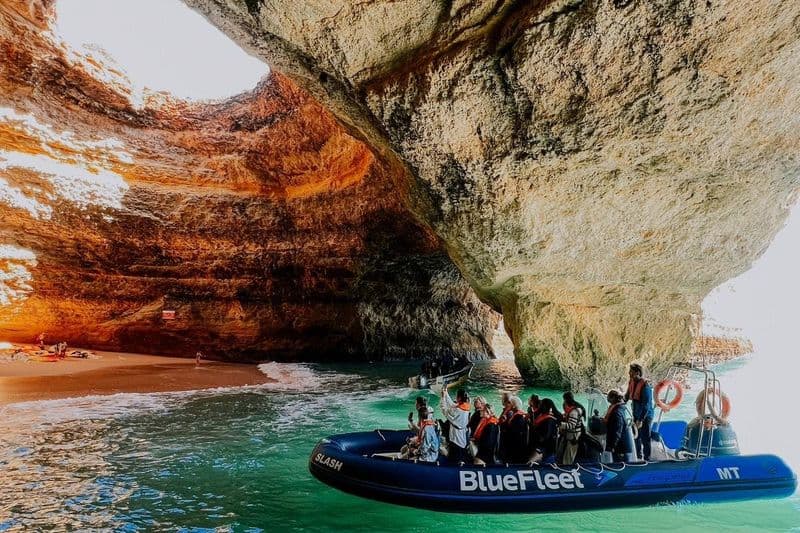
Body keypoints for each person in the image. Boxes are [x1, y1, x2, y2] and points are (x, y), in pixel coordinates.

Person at [625, 363, 654, 460]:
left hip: (645, 416)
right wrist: (619, 403)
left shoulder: (645, 386)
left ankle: (647, 458)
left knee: (645, 437)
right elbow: (627, 395)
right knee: (636, 436)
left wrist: (640, 420)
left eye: (631, 372)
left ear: (637, 373)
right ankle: (638, 456)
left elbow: (646, 405)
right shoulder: (631, 382)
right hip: (636, 414)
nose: (629, 373)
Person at [441, 386, 471, 464]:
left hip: (455, 436)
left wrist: (443, 397)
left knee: (455, 456)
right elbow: (453, 404)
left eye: (457, 396)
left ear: (459, 398)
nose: (456, 397)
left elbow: (444, 410)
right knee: (461, 450)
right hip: (462, 434)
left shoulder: (457, 410)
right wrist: (446, 393)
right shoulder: (465, 406)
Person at [605, 389, 634, 461]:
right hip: (622, 445)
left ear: (613, 398)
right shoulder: (620, 409)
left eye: (609, 398)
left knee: (621, 465)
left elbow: (617, 431)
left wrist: (612, 446)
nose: (608, 400)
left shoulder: (616, 413)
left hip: (621, 447)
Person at [558, 392, 586, 465]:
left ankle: (567, 469)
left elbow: (571, 425)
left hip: (573, 436)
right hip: (571, 435)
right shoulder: (576, 408)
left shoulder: (574, 412)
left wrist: (559, 424)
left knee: (568, 457)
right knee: (566, 454)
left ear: (566, 399)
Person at [529, 398, 560, 463]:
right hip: (541, 447)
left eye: (541, 405)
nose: (539, 406)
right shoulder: (542, 416)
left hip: (545, 449)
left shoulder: (549, 420)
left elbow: (545, 437)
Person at [503, 396, 529, 463]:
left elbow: (514, 434)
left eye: (509, 403)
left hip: (516, 449)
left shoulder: (519, 417)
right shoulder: (515, 415)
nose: (507, 404)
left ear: (514, 405)